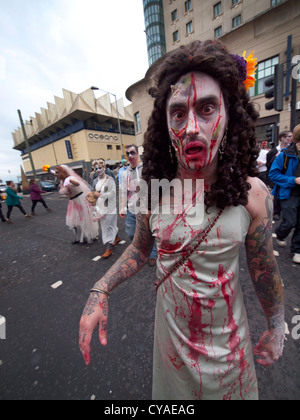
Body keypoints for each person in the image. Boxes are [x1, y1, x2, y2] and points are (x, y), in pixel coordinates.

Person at [79, 40, 285, 400]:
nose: (191, 127)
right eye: (178, 113)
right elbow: (140, 250)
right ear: (165, 123)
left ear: (228, 115)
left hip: (229, 355)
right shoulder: (152, 191)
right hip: (171, 351)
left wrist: (277, 324)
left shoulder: (253, 195)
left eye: (206, 109)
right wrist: (100, 289)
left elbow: (264, 271)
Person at [120, 144, 157, 266]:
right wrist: (122, 207)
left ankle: (152, 254)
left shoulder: (145, 168)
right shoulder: (125, 174)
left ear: (137, 153)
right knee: (131, 232)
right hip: (131, 207)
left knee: (150, 231)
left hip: (146, 206)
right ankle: (141, 250)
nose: (130, 156)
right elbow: (124, 192)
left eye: (132, 153)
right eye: (128, 154)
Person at [269, 124, 300, 264]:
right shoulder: (285, 154)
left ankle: (297, 250)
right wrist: (294, 180)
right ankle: (281, 233)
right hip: (289, 193)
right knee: (290, 221)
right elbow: (273, 175)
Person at [55, 165, 98, 244]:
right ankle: (78, 237)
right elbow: (63, 191)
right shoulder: (63, 181)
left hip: (79, 200)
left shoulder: (70, 179)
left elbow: (77, 184)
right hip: (73, 201)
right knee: (74, 220)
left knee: (84, 219)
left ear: (62, 173)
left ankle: (89, 235)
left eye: (57, 172)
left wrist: (71, 181)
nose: (55, 174)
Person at [91, 160, 120, 258]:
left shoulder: (110, 179)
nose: (98, 170)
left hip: (110, 207)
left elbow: (113, 193)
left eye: (100, 168)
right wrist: (92, 195)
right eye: (96, 168)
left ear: (104, 168)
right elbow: (93, 191)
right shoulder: (95, 181)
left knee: (107, 226)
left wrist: (100, 195)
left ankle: (108, 248)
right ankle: (116, 237)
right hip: (101, 207)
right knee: (106, 225)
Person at [267, 131, 293, 219]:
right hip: (277, 177)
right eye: (289, 136)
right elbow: (268, 165)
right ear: (282, 138)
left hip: (288, 176)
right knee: (277, 194)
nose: (290, 138)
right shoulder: (273, 151)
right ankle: (276, 212)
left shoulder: (292, 150)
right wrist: (276, 157)